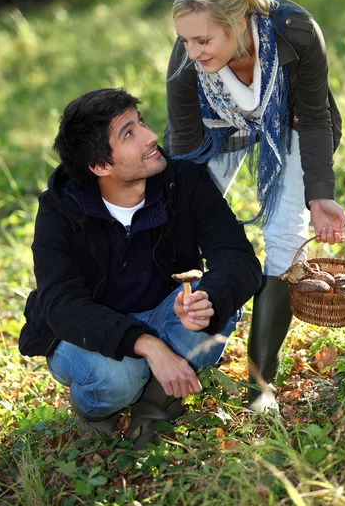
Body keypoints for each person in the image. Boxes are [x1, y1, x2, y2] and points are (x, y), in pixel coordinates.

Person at [19, 88, 262, 447]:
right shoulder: (60, 211)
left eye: (141, 123)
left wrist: (208, 297)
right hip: (85, 332)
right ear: (100, 166)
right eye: (129, 133)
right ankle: (97, 410)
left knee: (216, 305)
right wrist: (147, 345)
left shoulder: (186, 181)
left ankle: (155, 406)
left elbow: (238, 260)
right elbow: (62, 305)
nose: (151, 137)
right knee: (119, 377)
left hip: (165, 313)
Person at [164, 0, 345, 411]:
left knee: (285, 232)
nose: (192, 51)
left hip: (290, 124)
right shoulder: (187, 64)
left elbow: (315, 116)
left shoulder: (296, 32)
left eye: (203, 39)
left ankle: (260, 383)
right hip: (216, 130)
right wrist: (180, 213)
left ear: (240, 22)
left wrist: (319, 196)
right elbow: (186, 152)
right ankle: (173, 345)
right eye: (185, 39)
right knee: (176, 223)